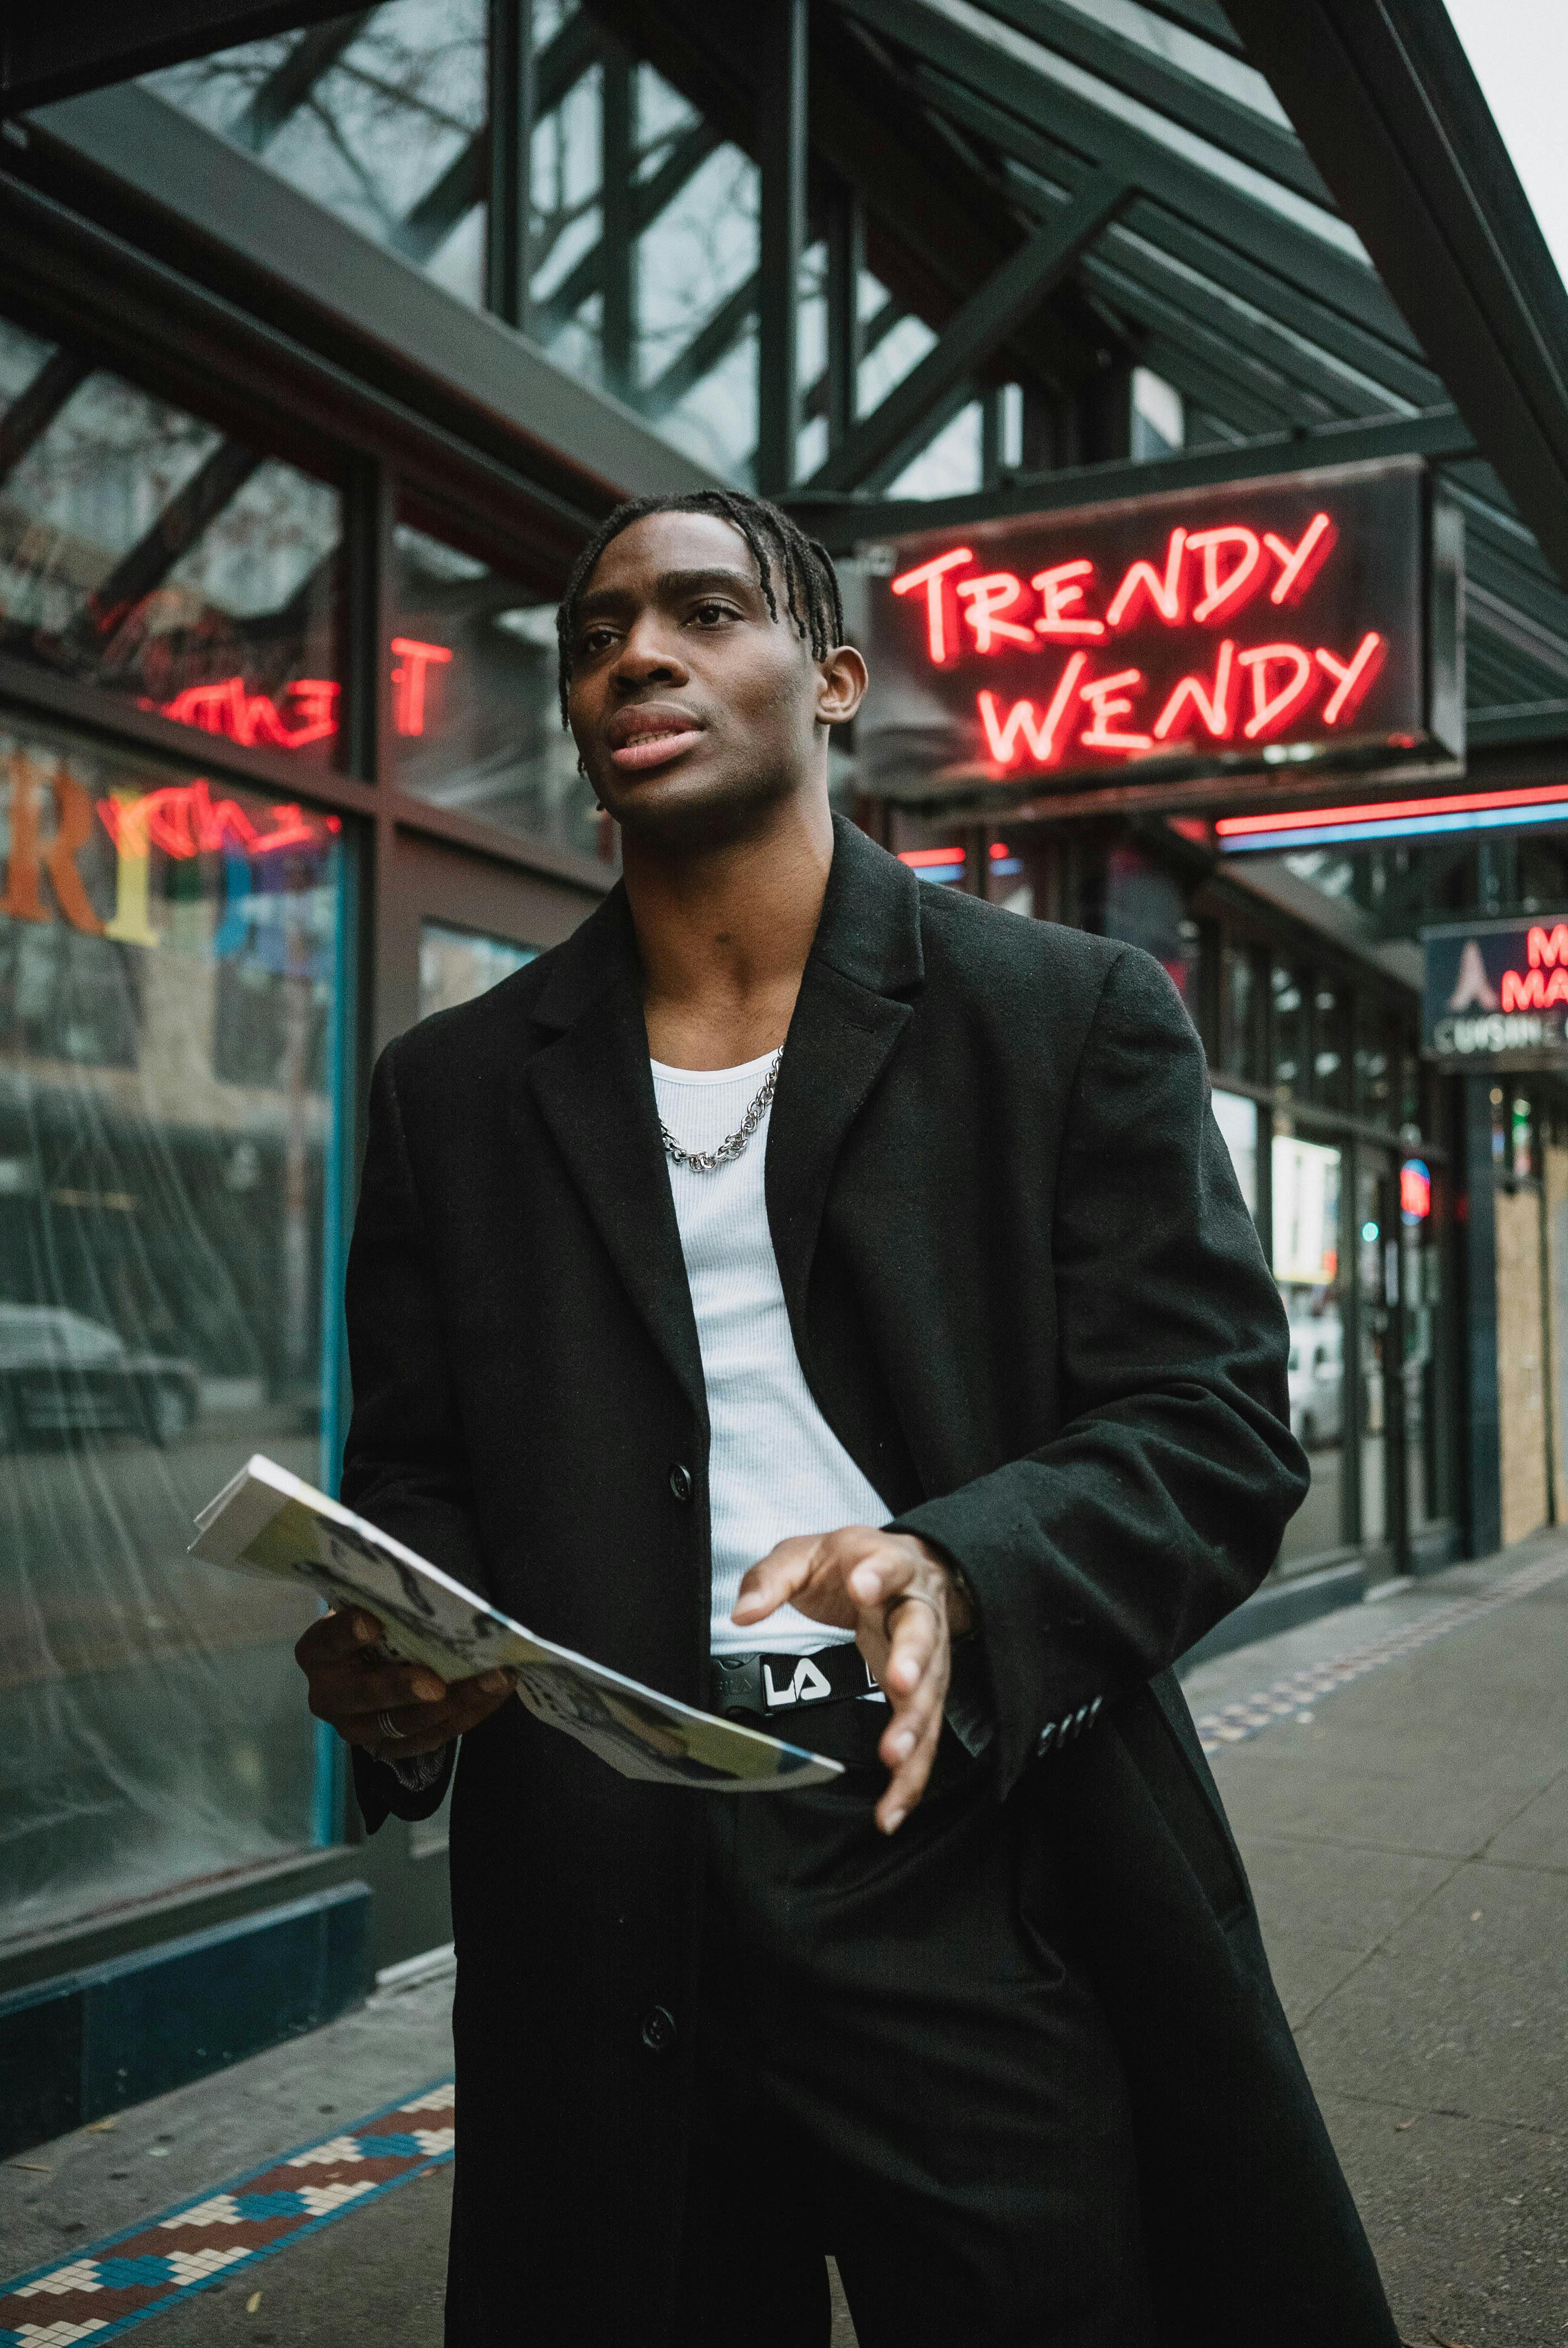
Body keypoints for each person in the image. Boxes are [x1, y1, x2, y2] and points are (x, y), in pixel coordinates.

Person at [295, 489, 1399, 2347]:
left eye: (701, 613)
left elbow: (1215, 1424)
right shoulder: (455, 1092)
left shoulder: (1063, 1018)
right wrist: (406, 1654)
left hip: (962, 1849)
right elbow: (416, 1470)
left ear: (828, 682)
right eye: (595, 633)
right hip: (598, 1883)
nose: (634, 652)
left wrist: (958, 1565)